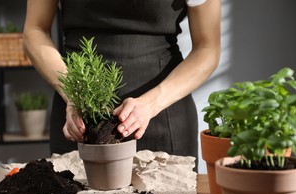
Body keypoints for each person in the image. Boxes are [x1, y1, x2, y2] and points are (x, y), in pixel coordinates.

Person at [23, 0, 221, 171]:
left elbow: (207, 48)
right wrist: (74, 93)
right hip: (79, 120)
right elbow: (35, 30)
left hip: (163, 115)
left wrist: (150, 104)